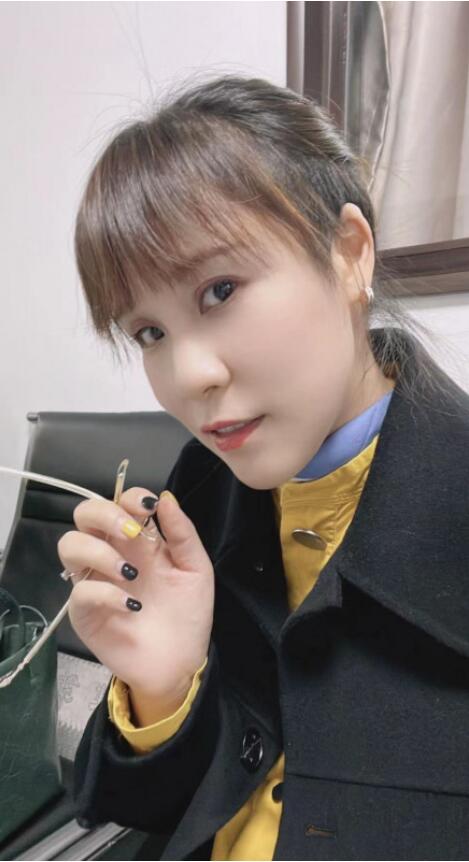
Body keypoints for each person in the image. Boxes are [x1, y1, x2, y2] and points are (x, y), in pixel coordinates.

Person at [59, 75, 469, 861]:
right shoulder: (198, 496)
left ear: (348, 255)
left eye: (219, 290)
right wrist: (163, 690)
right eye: (148, 333)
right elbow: (154, 816)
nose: (189, 376)